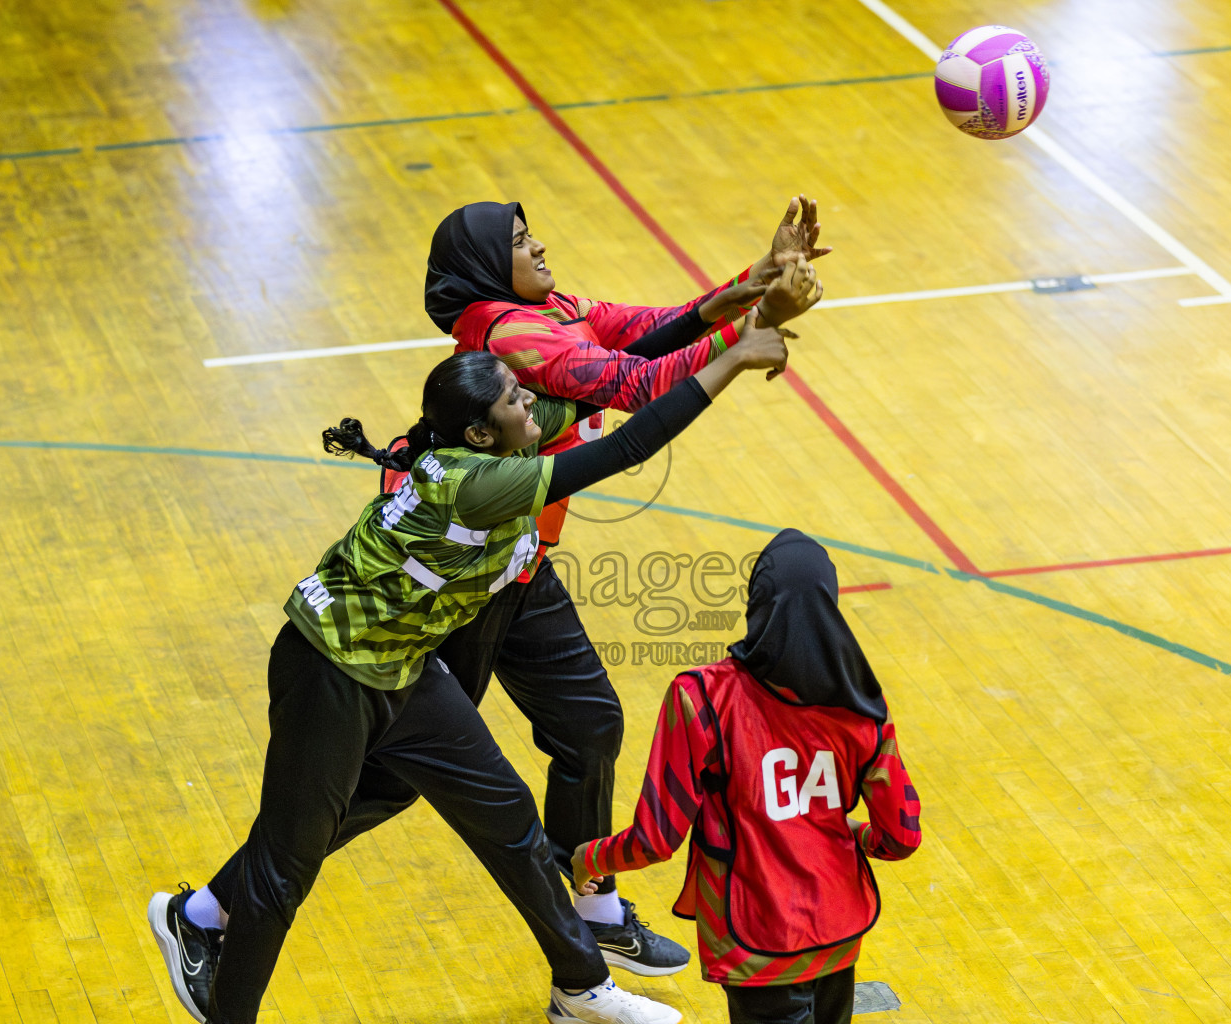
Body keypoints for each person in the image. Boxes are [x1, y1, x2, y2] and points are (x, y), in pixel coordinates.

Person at [148, 328, 792, 1024]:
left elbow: (617, 382)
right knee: (284, 870)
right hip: (329, 668)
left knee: (508, 814)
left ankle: (581, 986)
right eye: (516, 398)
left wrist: (738, 317)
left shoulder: (503, 440)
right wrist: (736, 359)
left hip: (405, 665)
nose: (532, 403)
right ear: (481, 433)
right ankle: (214, 968)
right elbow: (629, 446)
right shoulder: (478, 483)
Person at [382, 197, 828, 974]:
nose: (539, 247)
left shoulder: (546, 308)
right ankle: (218, 910)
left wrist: (757, 279)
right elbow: (636, 383)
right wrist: (752, 331)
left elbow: (648, 328)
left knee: (589, 725)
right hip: (461, 585)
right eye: (520, 241)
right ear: (487, 266)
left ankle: (594, 913)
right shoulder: (509, 334)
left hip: (520, 564)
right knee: (387, 782)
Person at [570, 529, 924, 1024]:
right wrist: (854, 831)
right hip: (839, 931)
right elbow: (901, 836)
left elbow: (656, 840)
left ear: (757, 601)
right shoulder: (861, 703)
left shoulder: (702, 697)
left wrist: (590, 857)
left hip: (756, 935)